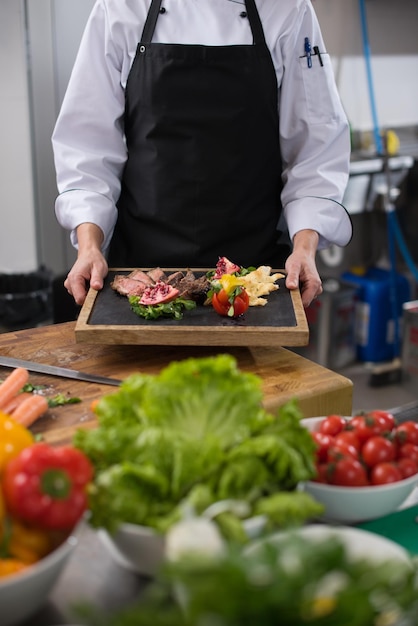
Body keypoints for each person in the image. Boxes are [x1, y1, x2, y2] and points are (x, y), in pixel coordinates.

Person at [52, 0, 352, 309]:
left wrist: (304, 248)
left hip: (253, 274)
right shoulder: (121, 7)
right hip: (141, 267)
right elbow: (88, 143)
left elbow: (316, 144)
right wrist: (89, 246)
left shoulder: (288, 9)